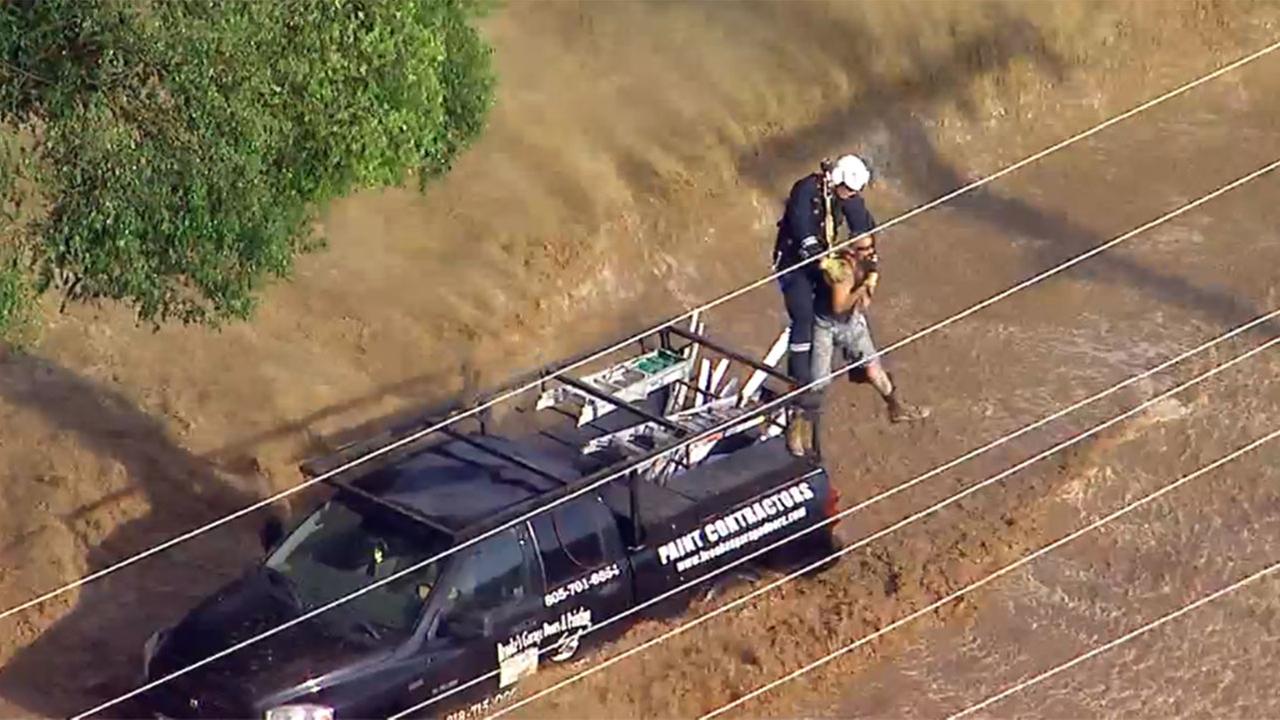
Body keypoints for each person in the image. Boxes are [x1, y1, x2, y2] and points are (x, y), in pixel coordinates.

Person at [786, 235, 930, 456]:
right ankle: (798, 428)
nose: (870, 251)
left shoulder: (868, 263)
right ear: (853, 250)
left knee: (874, 369)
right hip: (826, 325)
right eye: (864, 248)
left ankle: (896, 407)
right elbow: (838, 305)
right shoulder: (841, 270)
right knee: (819, 381)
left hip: (852, 322)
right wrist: (862, 288)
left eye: (872, 246)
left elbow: (863, 303)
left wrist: (868, 286)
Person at [773, 154, 876, 388]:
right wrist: (827, 265)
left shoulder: (844, 195)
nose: (851, 196)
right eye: (848, 190)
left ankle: (857, 361)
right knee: (803, 316)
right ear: (838, 180)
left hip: (822, 257)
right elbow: (803, 233)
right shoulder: (805, 190)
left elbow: (863, 226)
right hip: (794, 264)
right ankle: (798, 381)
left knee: (843, 301)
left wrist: (870, 268)